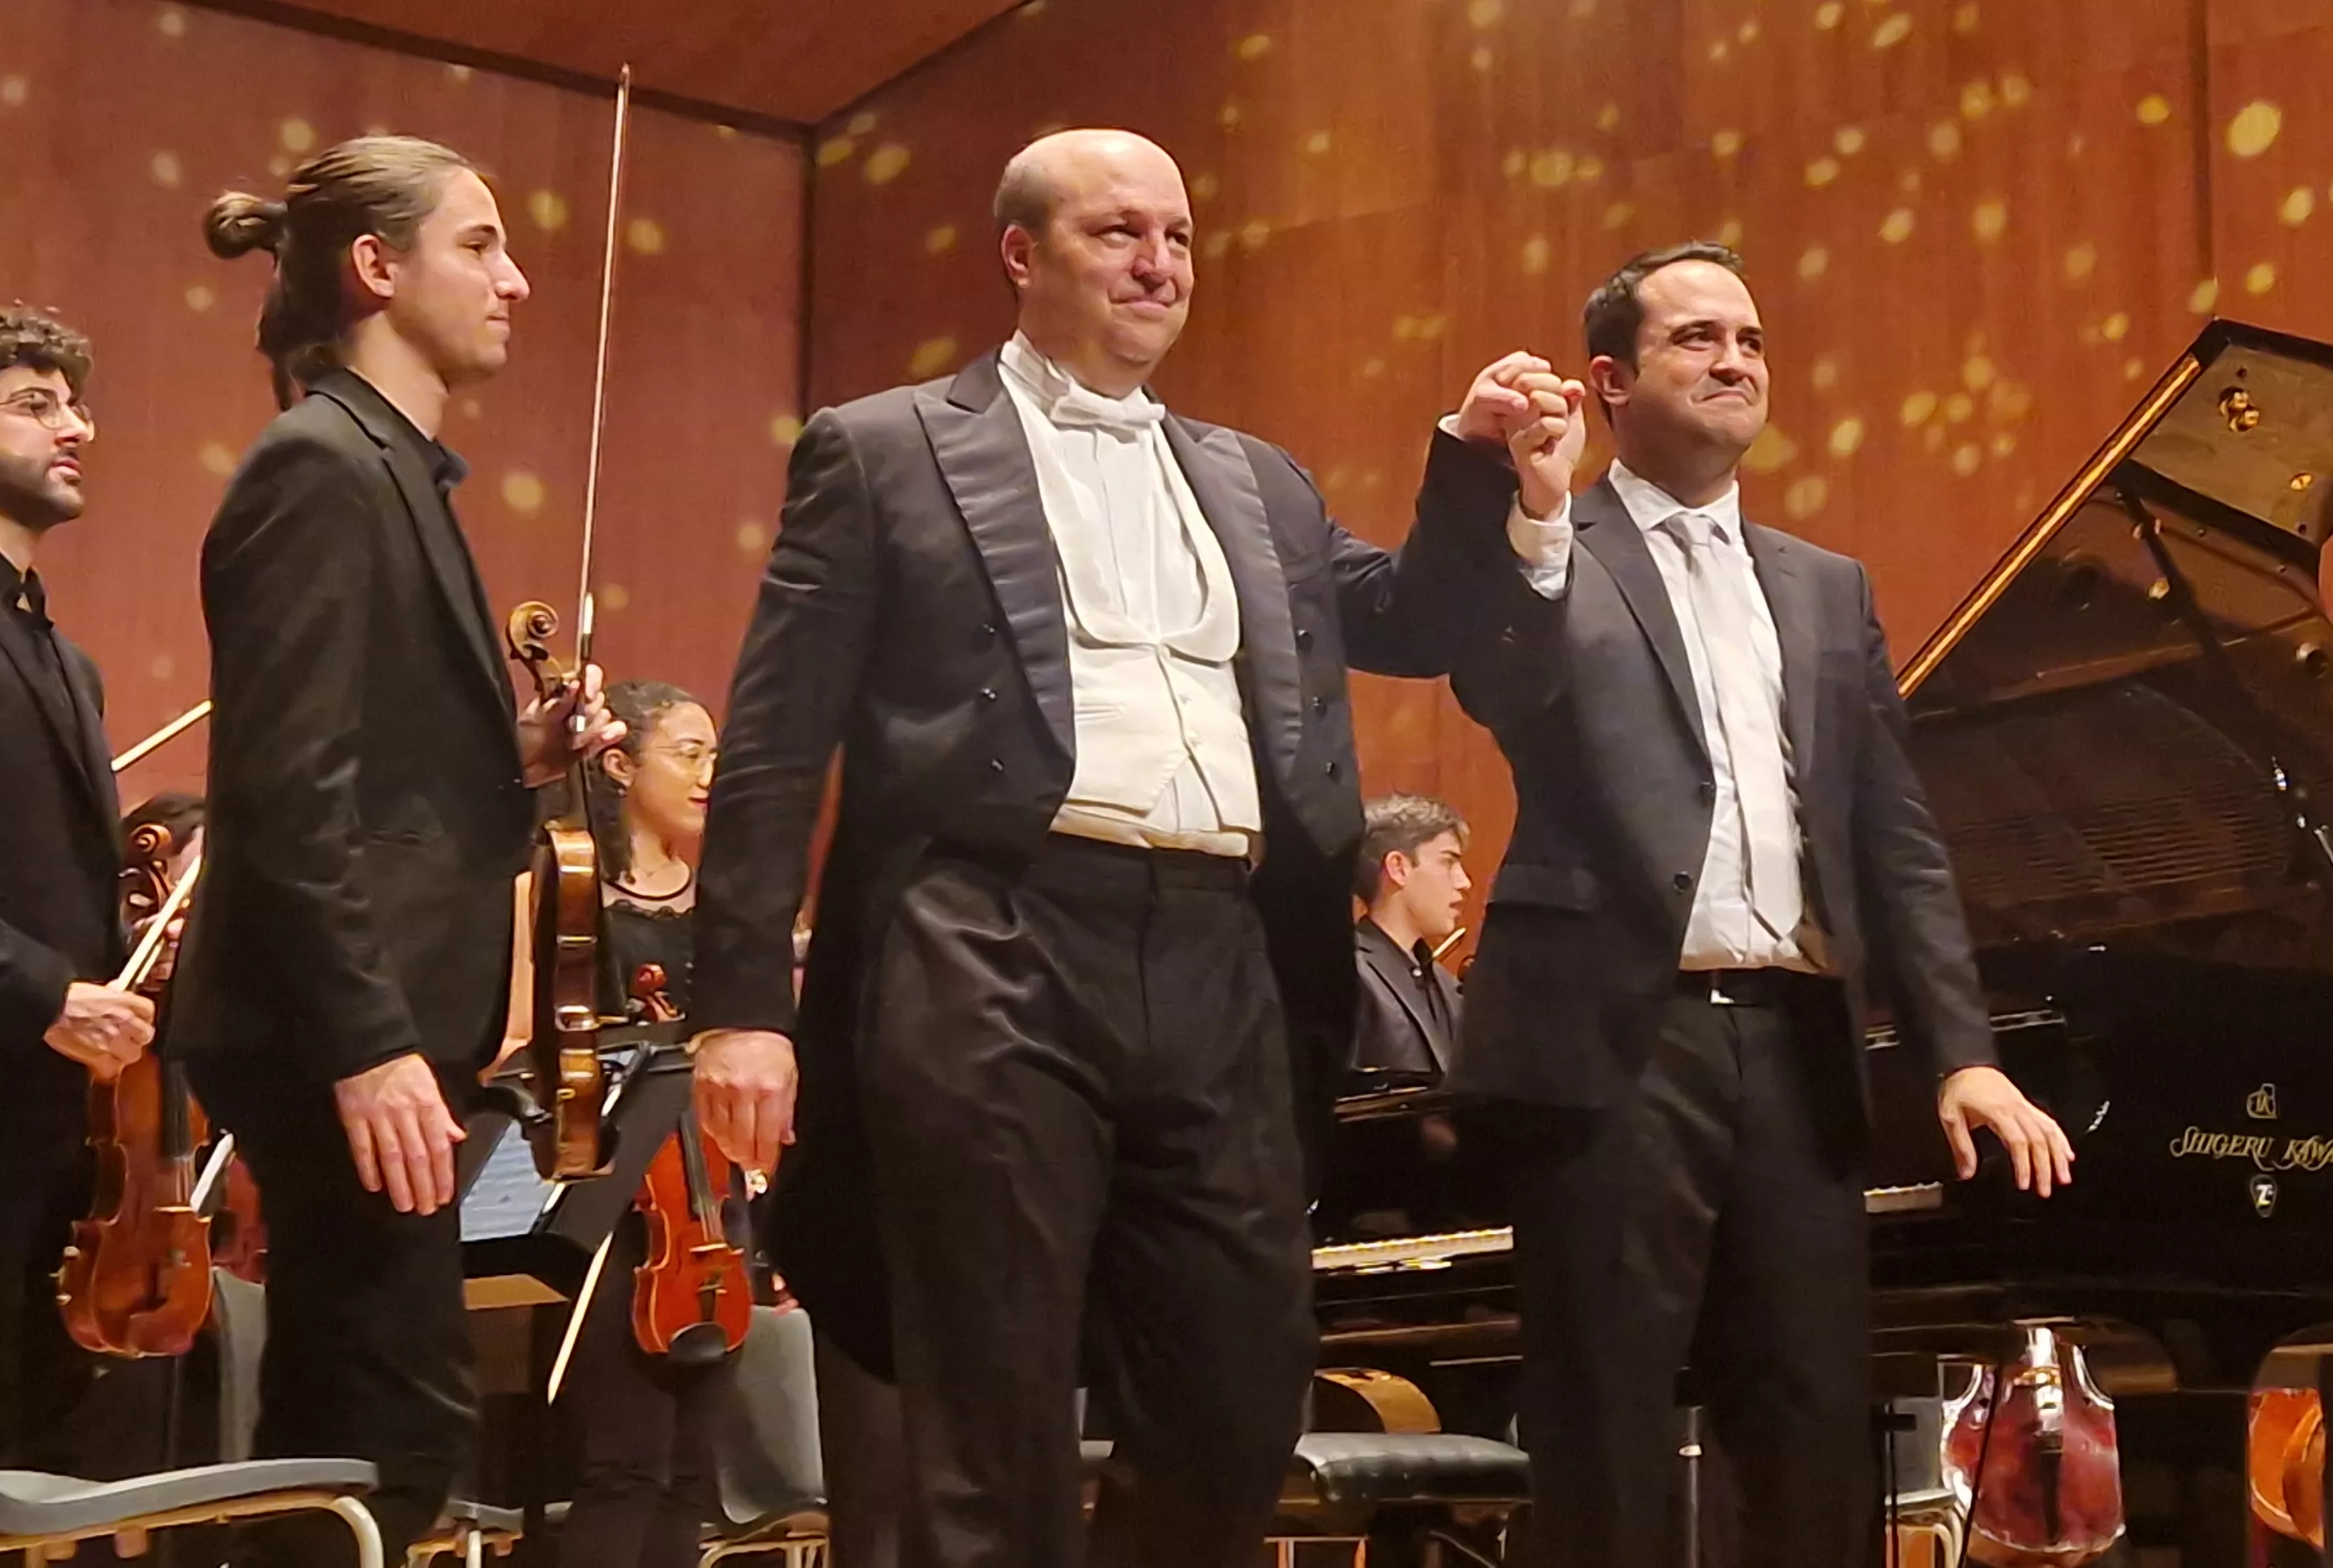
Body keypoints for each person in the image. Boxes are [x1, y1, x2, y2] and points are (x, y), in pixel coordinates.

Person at [686, 127, 1519, 1566]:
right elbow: (771, 741)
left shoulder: (1253, 479)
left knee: (1236, 1385)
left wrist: (1468, 459)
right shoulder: (882, 450)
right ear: (1022, 255)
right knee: (993, 1409)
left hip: (1221, 953)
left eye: (1179, 237)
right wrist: (742, 1007)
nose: (1158, 264)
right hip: (990, 942)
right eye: (1117, 233)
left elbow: (1417, 623)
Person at [1410, 241, 2073, 1566]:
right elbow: (1503, 688)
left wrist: (1963, 1054)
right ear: (1610, 380)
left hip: (1795, 1051)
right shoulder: (1549, 546)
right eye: (1696, 338)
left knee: (1813, 1421)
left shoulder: (1828, 587)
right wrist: (1530, 518)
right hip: (1617, 1046)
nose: (1733, 361)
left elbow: (1897, 836)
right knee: (1605, 1427)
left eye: (1751, 340)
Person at [168, 135, 618, 1567]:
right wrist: (370, 1045)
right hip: (345, 1047)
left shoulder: (387, 468)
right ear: (377, 268)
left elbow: (372, 772)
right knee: (383, 1436)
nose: (516, 278)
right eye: (479, 244)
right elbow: (285, 791)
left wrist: (518, 761)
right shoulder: (319, 469)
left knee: (362, 1434)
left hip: (384, 1037)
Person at [0, 305, 155, 1473]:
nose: (76, 426)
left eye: (75, 402)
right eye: (32, 403)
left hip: (57, 1141)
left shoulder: (66, 656)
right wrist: (48, 988)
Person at [549, 680, 736, 1568]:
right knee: (621, 1465)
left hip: (715, 1202)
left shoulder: (732, 903)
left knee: (692, 1473)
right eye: (688, 753)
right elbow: (520, 1041)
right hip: (611, 1200)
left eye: (714, 755)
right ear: (619, 764)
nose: (710, 773)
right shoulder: (571, 892)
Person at [1349, 792, 1470, 1083]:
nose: (1465, 882)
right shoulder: (1348, 977)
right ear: (1399, 868)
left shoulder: (1446, 983)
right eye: (1448, 862)